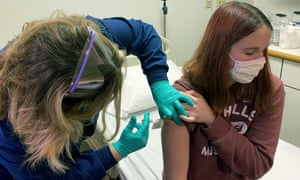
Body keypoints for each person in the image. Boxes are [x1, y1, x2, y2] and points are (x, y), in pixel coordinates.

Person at [0, 14, 152, 179]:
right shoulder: (14, 139)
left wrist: (160, 84)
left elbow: (142, 32)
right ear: (61, 110)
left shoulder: (79, 44)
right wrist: (117, 150)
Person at [161, 1, 285, 180]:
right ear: (219, 50)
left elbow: (257, 166)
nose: (260, 62)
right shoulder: (186, 96)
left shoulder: (271, 89)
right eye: (250, 53)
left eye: (263, 51)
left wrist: (212, 121)